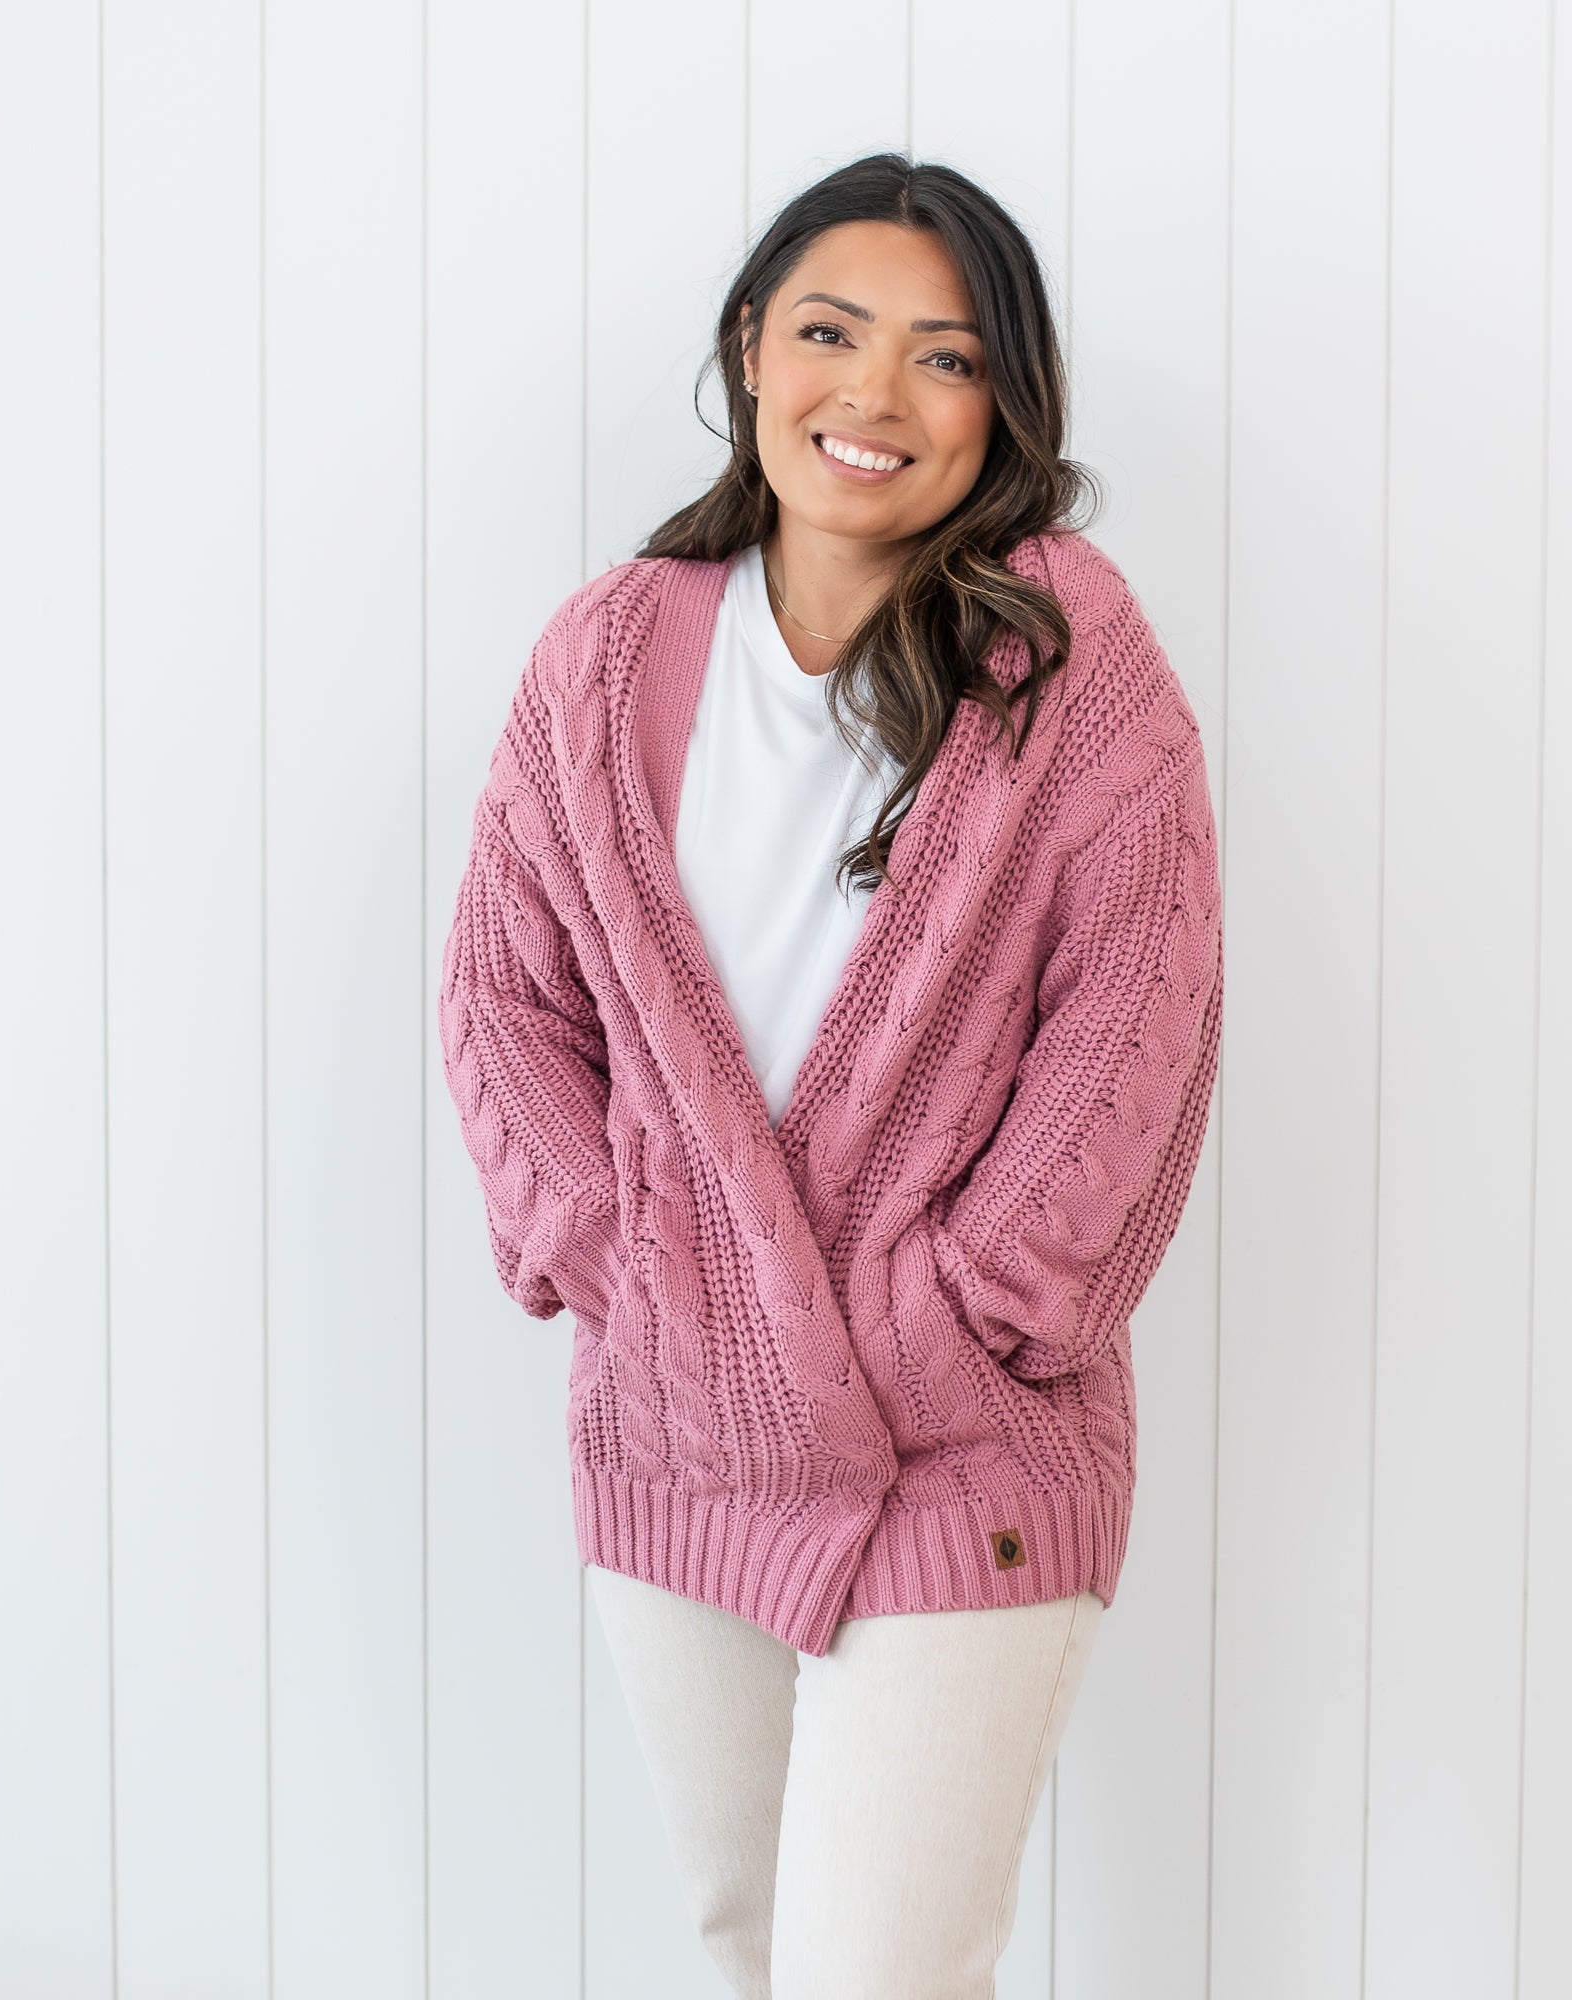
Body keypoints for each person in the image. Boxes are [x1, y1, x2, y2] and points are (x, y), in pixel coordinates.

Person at [437, 151, 1224, 2000]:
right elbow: (502, 995)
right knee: (748, 1946)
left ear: (1005, 406)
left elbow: (1140, 1025)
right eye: (829, 332)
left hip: (965, 1439)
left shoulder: (1066, 669)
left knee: (880, 1974)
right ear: (750, 348)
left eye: (944, 358)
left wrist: (961, 1314)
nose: (872, 396)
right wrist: (624, 1266)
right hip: (677, 1416)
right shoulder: (608, 655)